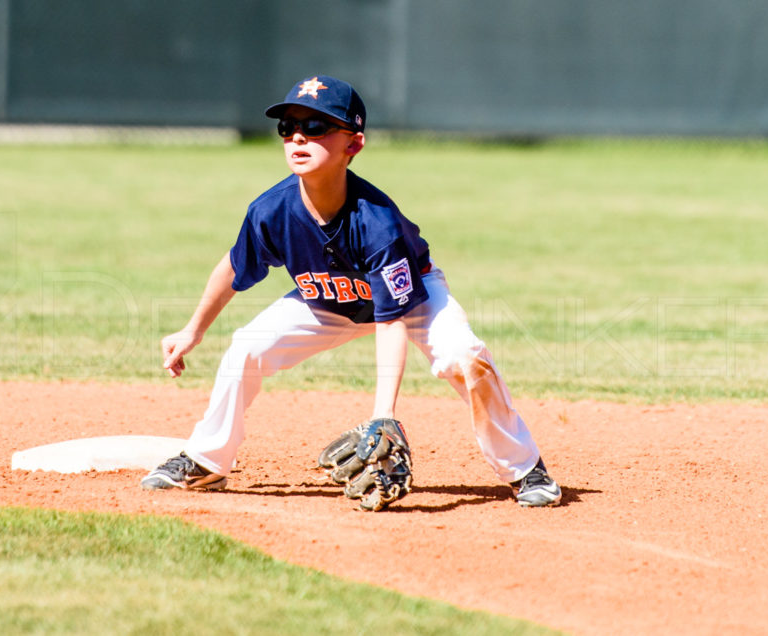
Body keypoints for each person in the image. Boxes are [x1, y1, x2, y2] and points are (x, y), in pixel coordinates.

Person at [141, 75, 561, 507]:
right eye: (288, 127)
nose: (298, 136)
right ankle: (207, 461)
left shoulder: (378, 223)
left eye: (317, 126)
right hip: (328, 303)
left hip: (413, 300)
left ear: (353, 145)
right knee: (246, 348)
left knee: (464, 357)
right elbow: (233, 266)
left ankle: (524, 467)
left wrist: (384, 414)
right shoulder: (270, 211)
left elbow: (391, 320)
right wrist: (193, 330)